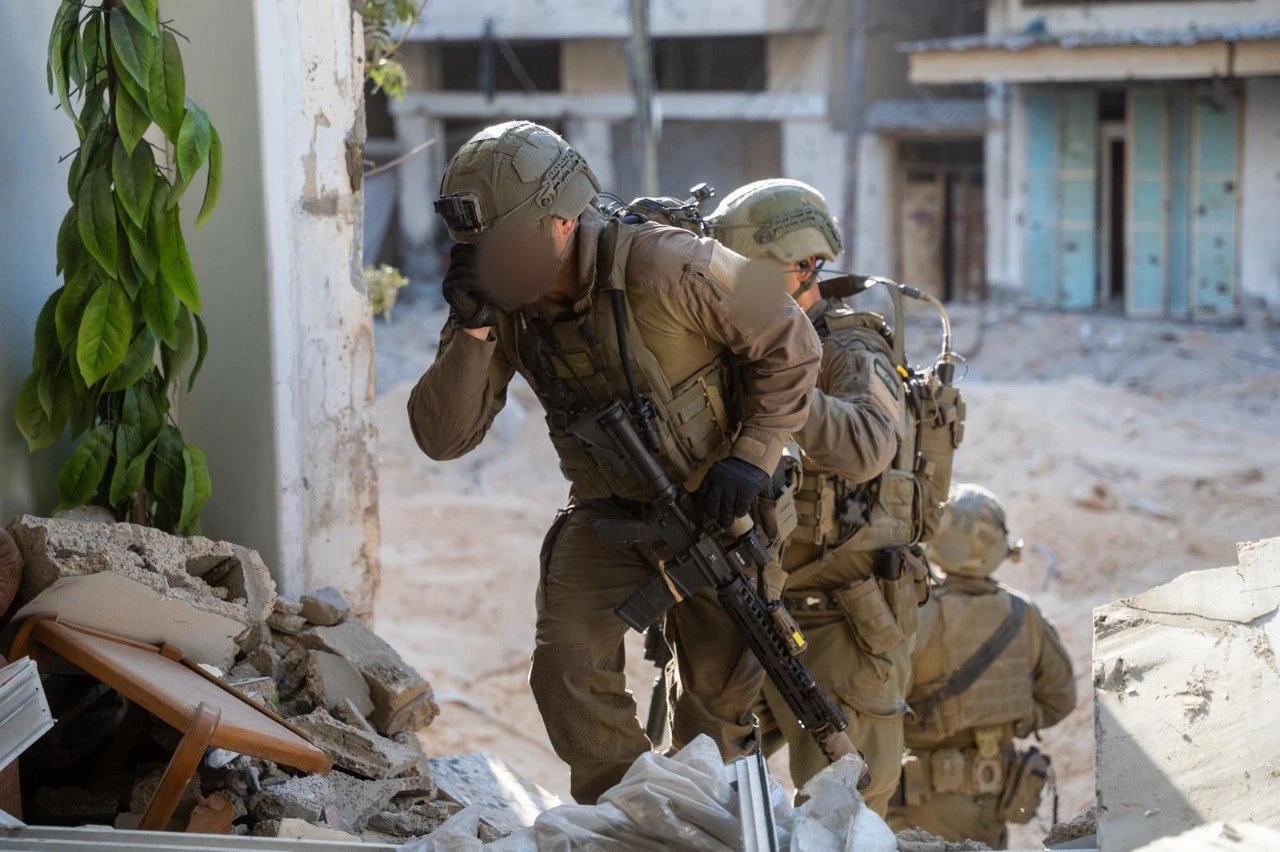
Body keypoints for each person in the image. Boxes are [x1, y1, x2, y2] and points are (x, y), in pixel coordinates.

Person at [407, 122, 822, 804]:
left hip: (721, 515)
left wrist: (751, 456)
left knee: (713, 717)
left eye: (506, 247)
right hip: (610, 519)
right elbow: (443, 437)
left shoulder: (670, 264)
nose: (494, 264)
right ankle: (637, 820)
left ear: (563, 222)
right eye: (478, 252)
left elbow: (792, 337)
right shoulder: (497, 304)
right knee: (566, 671)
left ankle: (713, 831)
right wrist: (475, 327)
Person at [706, 179, 920, 815]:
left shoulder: (852, 346)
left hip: (840, 617)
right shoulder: (736, 335)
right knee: (707, 790)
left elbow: (868, 443)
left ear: (802, 268)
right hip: (750, 594)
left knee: (844, 812)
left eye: (747, 273)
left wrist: (780, 388)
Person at [888, 484, 1077, 848]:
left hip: (919, 802)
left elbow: (879, 699)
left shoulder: (915, 614)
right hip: (992, 803)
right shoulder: (1024, 615)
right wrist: (1014, 716)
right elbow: (1060, 698)